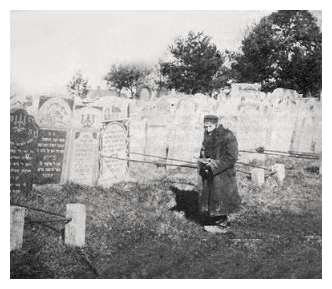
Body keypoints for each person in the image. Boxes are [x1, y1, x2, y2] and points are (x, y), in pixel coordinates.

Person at [198, 115, 241, 230]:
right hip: (210, 172)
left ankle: (222, 223)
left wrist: (215, 164)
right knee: (211, 197)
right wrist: (203, 160)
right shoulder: (207, 134)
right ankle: (214, 220)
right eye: (205, 127)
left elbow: (232, 157)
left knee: (221, 197)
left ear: (216, 125)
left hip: (223, 174)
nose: (207, 129)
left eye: (210, 127)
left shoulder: (227, 135)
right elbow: (204, 151)